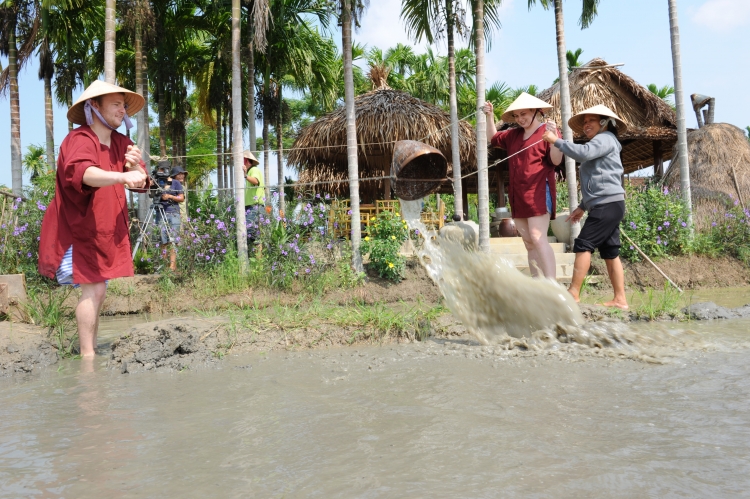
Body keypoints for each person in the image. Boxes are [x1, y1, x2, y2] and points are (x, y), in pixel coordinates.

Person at [38, 80, 148, 357]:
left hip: (105, 230)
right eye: (115, 104)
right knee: (95, 289)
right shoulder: (79, 139)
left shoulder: (124, 143)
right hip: (77, 227)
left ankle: (90, 352)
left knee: (98, 292)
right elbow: (82, 173)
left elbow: (140, 183)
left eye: (124, 105)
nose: (122, 110)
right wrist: (121, 175)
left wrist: (134, 167)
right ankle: (88, 361)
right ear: (94, 107)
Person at [542, 104, 629, 310]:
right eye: (585, 121)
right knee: (610, 251)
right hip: (609, 203)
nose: (586, 124)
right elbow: (601, 178)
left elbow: (583, 153)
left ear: (604, 122)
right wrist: (582, 206)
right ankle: (620, 299)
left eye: (591, 120)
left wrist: (556, 141)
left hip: (606, 204)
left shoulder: (605, 139)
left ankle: (573, 293)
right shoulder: (605, 142)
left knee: (583, 244)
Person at [483, 92, 564, 278]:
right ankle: (537, 282)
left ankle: (552, 284)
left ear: (536, 112)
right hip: (517, 193)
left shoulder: (548, 131)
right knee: (528, 241)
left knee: (537, 237)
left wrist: (553, 139)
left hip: (538, 191)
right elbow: (493, 138)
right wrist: (489, 115)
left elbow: (556, 160)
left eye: (524, 114)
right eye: (517, 116)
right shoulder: (513, 135)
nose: (520, 119)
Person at [156, 163, 186, 271]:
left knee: (173, 240)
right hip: (160, 212)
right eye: (179, 174)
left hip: (173, 213)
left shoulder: (176, 183)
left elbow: (181, 197)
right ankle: (164, 266)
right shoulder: (157, 182)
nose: (182, 176)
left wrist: (170, 196)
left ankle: (172, 266)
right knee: (163, 240)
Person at [243, 149, 264, 247]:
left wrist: (245, 175)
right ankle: (257, 258)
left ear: (246, 161)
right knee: (252, 233)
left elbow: (256, 181)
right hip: (249, 207)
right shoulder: (250, 171)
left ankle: (259, 258)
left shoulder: (253, 170)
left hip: (255, 206)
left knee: (251, 231)